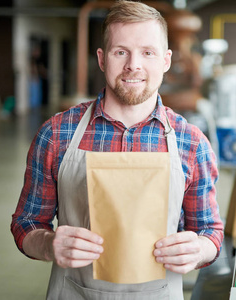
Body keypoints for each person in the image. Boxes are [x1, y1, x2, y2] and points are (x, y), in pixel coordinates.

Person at [11, 1, 223, 299]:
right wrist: (47, 244)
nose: (133, 64)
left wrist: (199, 249)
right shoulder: (56, 134)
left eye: (147, 52)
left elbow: (210, 231)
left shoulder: (193, 143)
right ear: (101, 59)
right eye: (120, 51)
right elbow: (27, 223)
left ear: (165, 60)